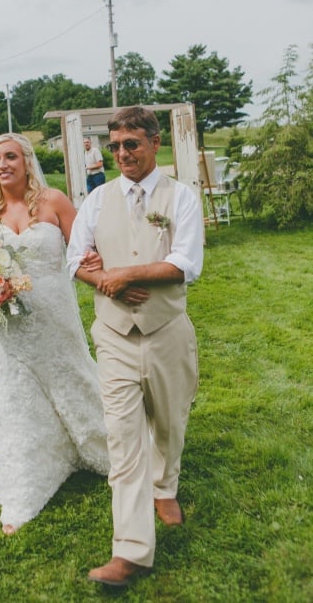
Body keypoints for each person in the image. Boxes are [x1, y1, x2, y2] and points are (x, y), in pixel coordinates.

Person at [67, 106, 203, 587]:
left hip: (166, 330)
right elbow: (73, 260)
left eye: (132, 145)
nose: (122, 154)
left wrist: (128, 273)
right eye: (116, 146)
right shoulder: (97, 199)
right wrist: (105, 280)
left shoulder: (180, 197)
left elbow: (186, 262)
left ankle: (165, 487)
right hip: (115, 336)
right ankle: (130, 551)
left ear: (154, 143)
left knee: (169, 420)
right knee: (125, 440)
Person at [0, 133, 109, 535]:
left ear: (27, 161)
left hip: (55, 317)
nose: (2, 165)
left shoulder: (54, 202)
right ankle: (23, 490)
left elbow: (85, 249)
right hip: (9, 327)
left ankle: (106, 449)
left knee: (73, 380)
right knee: (16, 400)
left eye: (10, 156)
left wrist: (98, 264)